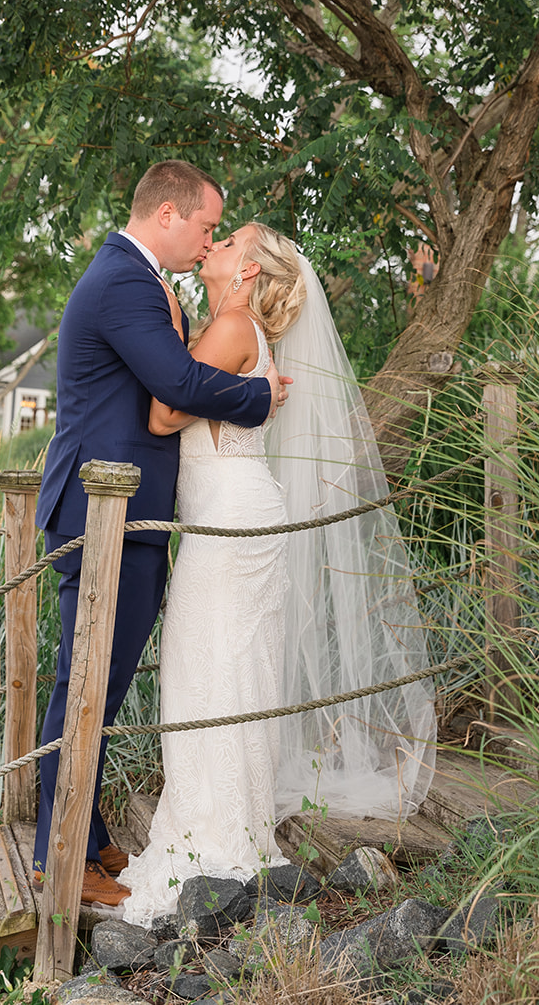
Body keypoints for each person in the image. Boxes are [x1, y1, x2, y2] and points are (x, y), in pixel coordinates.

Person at [117, 223, 439, 924]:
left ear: (251, 272)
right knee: (229, 670)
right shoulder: (235, 329)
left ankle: (217, 840)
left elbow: (166, 410)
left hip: (230, 525)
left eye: (230, 240)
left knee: (211, 673)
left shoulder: (233, 326)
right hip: (234, 517)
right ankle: (231, 828)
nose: (217, 244)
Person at [31, 161, 289, 907]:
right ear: (169, 213)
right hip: (101, 513)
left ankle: (85, 833)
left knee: (99, 686)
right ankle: (61, 858)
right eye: (207, 225)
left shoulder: (142, 282)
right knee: (83, 684)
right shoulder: (125, 281)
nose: (208, 237)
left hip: (129, 516)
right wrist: (257, 396)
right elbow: (175, 388)